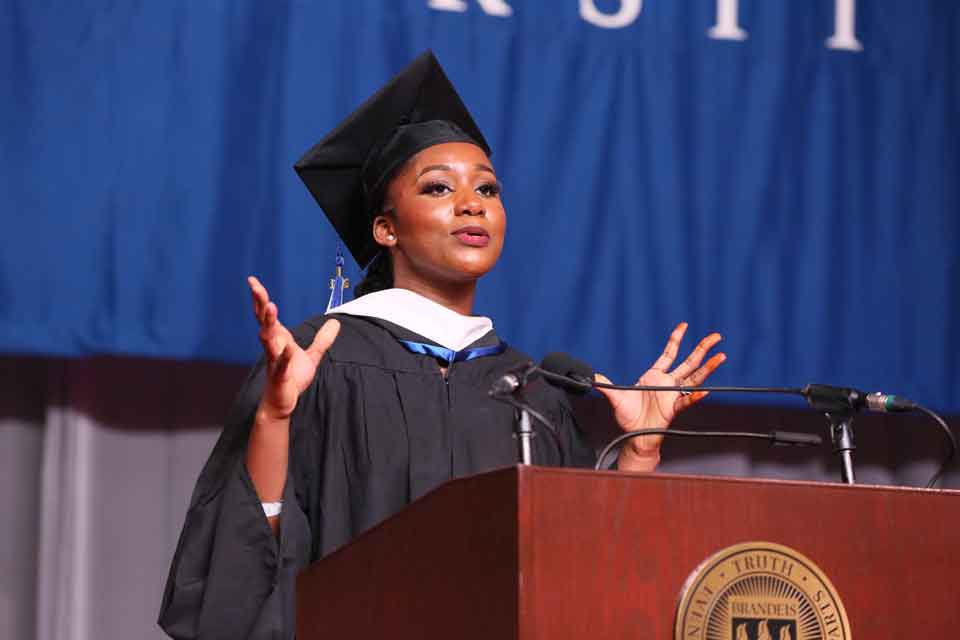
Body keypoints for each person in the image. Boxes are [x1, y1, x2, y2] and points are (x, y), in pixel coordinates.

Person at [158, 51, 725, 640]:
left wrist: (639, 453)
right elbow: (244, 577)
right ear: (386, 229)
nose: (472, 202)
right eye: (437, 188)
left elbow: (590, 581)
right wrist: (276, 416)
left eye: (487, 187)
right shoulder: (317, 362)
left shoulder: (530, 391)